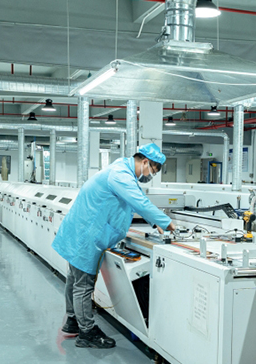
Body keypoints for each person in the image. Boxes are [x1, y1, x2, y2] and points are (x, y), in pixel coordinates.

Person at [52, 143, 176, 349]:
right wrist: (166, 222)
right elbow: (140, 202)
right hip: (87, 235)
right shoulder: (121, 175)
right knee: (83, 284)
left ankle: (73, 321)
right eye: (152, 171)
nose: (149, 176)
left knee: (74, 279)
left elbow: (135, 200)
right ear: (145, 162)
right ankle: (87, 333)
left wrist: (154, 222)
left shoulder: (121, 169)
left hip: (82, 231)